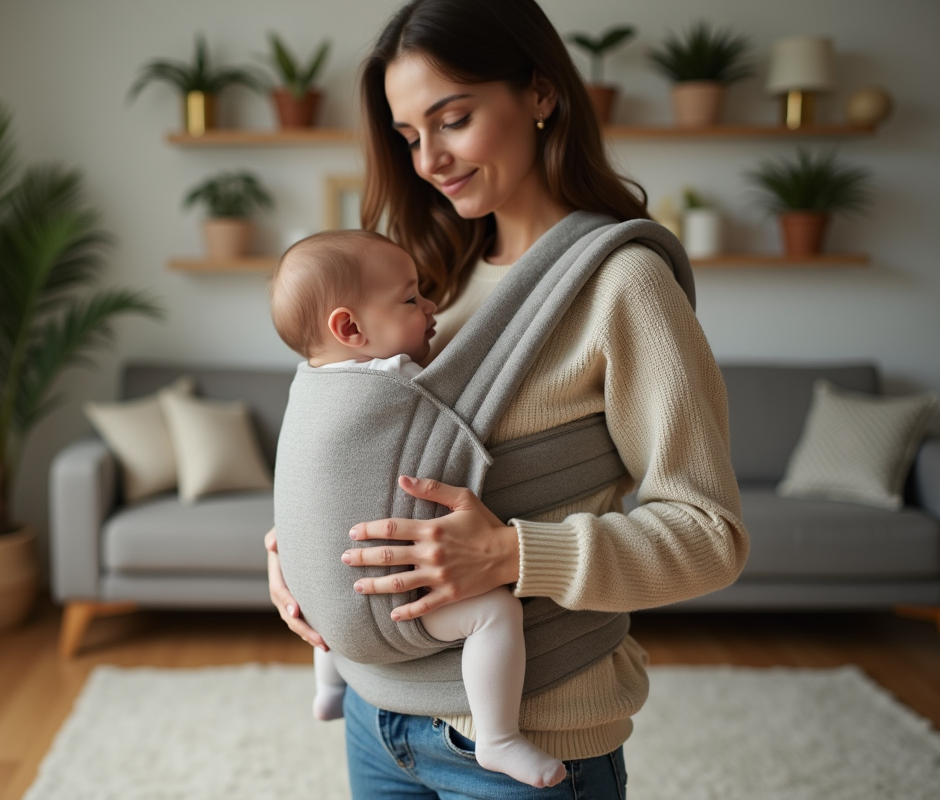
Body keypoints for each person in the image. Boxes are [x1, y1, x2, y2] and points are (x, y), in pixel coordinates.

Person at [264, 0, 749, 797]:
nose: (429, 160)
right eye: (409, 136)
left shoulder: (622, 285)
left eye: (452, 120)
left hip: (537, 730)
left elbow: (710, 536)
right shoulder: (429, 278)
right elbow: (364, 453)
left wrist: (511, 553)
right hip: (374, 714)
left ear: (541, 93)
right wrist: (298, 555)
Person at [270, 228, 568, 789]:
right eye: (411, 299)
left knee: (330, 587)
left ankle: (328, 687)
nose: (431, 307)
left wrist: (296, 544)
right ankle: (498, 737)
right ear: (350, 329)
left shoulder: (309, 383)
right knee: (495, 614)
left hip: (324, 606)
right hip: (386, 607)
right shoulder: (396, 379)